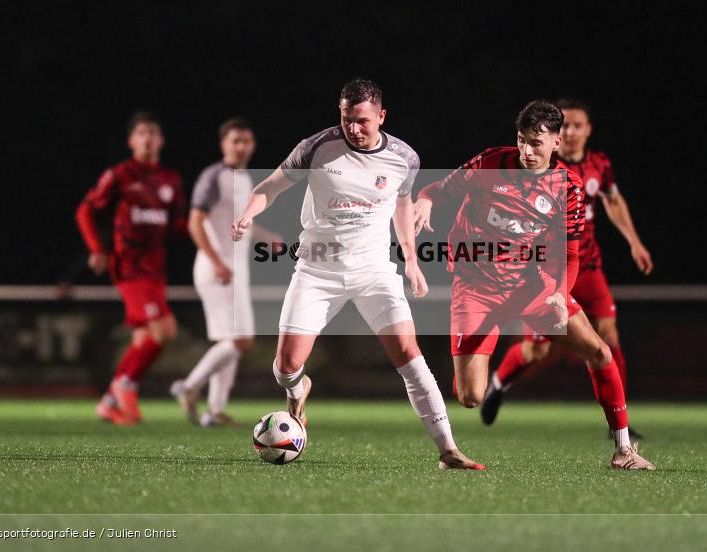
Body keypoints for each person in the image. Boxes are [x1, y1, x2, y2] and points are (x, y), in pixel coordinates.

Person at [232, 78, 484, 470]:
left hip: (374, 271)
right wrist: (248, 212)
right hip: (317, 268)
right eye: (348, 119)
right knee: (284, 369)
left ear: (381, 116)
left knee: (409, 356)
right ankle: (299, 391)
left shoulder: (405, 158)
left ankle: (448, 449)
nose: (354, 128)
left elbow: (402, 204)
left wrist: (412, 260)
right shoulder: (316, 148)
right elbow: (270, 186)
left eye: (363, 121)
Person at [413, 100, 655, 470]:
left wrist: (561, 292)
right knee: (470, 396)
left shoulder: (569, 188)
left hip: (531, 285)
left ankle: (624, 451)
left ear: (556, 143)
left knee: (600, 352)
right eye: (523, 141)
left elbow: (570, 255)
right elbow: (435, 190)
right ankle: (486, 377)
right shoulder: (489, 163)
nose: (527, 151)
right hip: (476, 288)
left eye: (536, 143)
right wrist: (426, 202)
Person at [481, 100, 652, 439]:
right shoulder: (540, 168)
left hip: (589, 267)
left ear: (588, 130)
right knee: (537, 350)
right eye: (567, 126)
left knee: (608, 338)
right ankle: (499, 384)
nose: (573, 132)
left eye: (578, 126)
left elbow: (614, 201)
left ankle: (620, 423)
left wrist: (634, 241)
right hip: (549, 269)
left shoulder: (599, 165)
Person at [77, 111, 187, 426]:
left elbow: (176, 226)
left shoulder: (171, 180)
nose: (148, 138)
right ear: (131, 141)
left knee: (143, 341)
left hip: (156, 267)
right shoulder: (119, 175)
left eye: (153, 132)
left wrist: (206, 229)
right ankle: (125, 385)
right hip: (129, 265)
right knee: (165, 330)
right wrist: (96, 249)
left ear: (162, 140)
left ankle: (109, 402)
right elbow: (85, 209)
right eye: (142, 133)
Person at [171, 118, 279, 427]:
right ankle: (190, 386)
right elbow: (195, 222)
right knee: (242, 340)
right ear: (223, 145)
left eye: (247, 141)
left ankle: (215, 410)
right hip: (218, 270)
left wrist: (267, 236)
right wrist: (217, 261)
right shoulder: (213, 176)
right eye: (236, 141)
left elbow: (240, 222)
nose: (242, 146)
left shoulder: (244, 178)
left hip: (233, 272)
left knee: (228, 343)